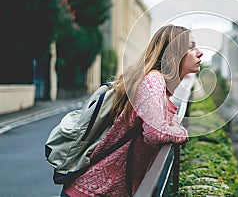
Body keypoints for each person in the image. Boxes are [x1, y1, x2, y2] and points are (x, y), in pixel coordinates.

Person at [61, 24, 203, 197]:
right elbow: (155, 132)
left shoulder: (162, 87)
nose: (199, 52)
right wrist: (181, 133)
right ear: (174, 54)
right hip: (91, 192)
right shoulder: (154, 80)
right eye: (190, 47)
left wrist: (173, 127)